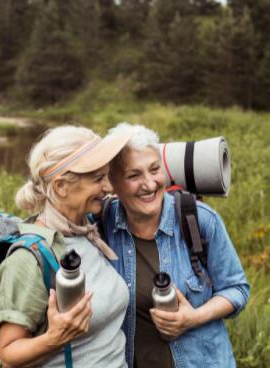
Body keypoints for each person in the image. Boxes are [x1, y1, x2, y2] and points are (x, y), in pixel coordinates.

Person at [102, 123, 250, 368]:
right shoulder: (103, 224)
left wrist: (193, 318)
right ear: (113, 184)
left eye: (154, 169)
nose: (149, 184)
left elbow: (237, 289)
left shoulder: (199, 220)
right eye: (133, 175)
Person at [0, 125, 131, 368]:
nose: (109, 188)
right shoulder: (29, 258)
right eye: (98, 179)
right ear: (61, 187)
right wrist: (54, 339)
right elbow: (8, 353)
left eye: (107, 176)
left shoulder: (89, 228)